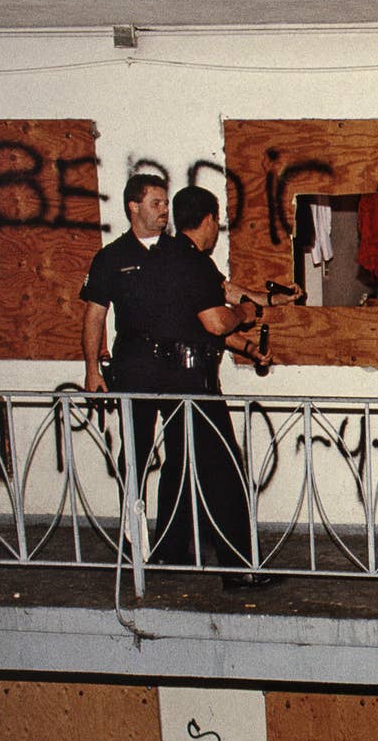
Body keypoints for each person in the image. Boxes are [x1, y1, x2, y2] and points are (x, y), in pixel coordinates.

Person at [108, 184, 285, 590]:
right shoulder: (193, 263)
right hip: (193, 381)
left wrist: (249, 336)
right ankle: (238, 567)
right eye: (216, 223)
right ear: (207, 221)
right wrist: (245, 312)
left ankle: (171, 551)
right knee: (222, 469)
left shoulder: (159, 259)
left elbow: (190, 325)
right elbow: (214, 323)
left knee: (180, 466)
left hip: (164, 379)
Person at [79, 172, 169, 393]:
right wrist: (92, 371)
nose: (165, 210)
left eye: (166, 203)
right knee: (134, 428)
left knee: (182, 428)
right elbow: (95, 316)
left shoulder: (178, 252)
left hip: (175, 366)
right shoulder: (111, 257)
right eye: (156, 204)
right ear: (134, 207)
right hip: (133, 363)